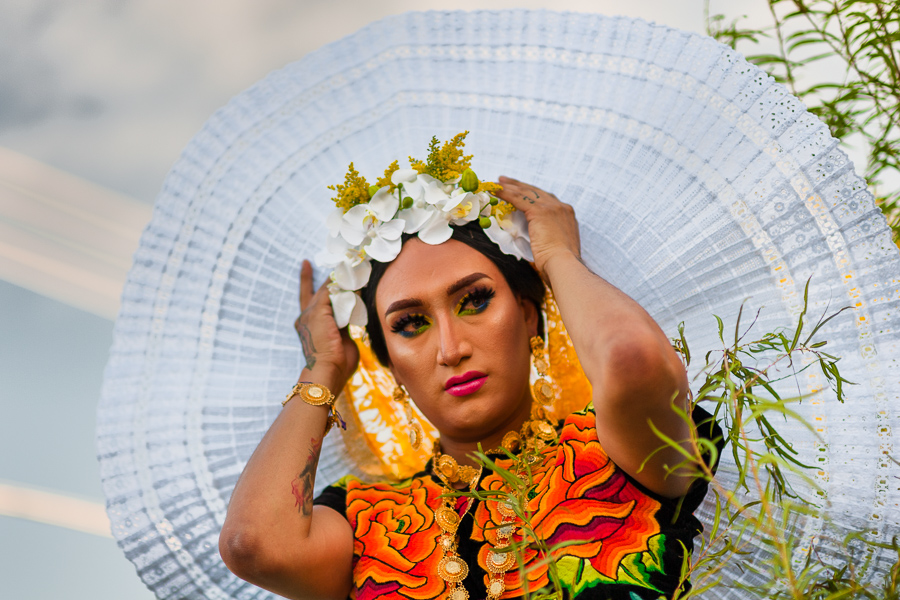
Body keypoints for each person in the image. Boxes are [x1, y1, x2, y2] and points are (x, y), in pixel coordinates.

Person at [218, 148, 720, 600]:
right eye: (410, 324)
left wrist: (556, 257)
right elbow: (253, 543)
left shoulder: (614, 455)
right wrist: (322, 367)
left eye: (475, 300)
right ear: (389, 363)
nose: (450, 349)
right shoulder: (367, 521)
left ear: (528, 316)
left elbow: (631, 359)